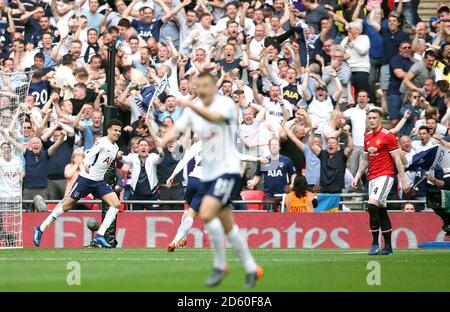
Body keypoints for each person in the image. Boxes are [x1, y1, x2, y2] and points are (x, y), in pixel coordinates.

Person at [160, 72, 263, 288]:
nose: (203, 89)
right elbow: (176, 130)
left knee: (206, 212)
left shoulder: (224, 104)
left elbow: (214, 118)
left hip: (227, 170)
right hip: (208, 174)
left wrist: (188, 104)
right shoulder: (193, 110)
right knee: (227, 224)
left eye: (206, 85)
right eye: (200, 86)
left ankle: (220, 265)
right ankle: (252, 267)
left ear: (213, 87)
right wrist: (164, 137)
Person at [33, 120, 124, 249]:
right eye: (115, 130)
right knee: (66, 206)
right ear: (108, 130)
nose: (118, 133)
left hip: (98, 182)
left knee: (116, 204)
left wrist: (118, 155)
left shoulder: (115, 147)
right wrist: (86, 163)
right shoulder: (102, 142)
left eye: (119, 131)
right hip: (85, 179)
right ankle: (40, 228)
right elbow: (91, 152)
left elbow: (111, 157)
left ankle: (99, 235)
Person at [351, 109, 410, 256]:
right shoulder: (367, 137)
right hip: (372, 177)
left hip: (385, 176)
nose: (371, 120)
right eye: (369, 118)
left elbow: (397, 159)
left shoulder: (388, 136)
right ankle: (388, 247)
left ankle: (374, 243)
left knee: (372, 205)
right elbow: (364, 159)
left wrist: (403, 180)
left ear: (380, 119)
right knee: (381, 211)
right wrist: (357, 176)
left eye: (374, 118)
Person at [117, 138, 163, 210]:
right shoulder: (133, 157)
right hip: (136, 194)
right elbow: (123, 159)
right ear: (138, 148)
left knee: (154, 216)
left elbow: (159, 159)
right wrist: (119, 155)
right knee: (135, 218)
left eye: (145, 145)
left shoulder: (153, 156)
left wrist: (161, 153)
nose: (143, 147)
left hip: (152, 194)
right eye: (141, 145)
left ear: (148, 148)